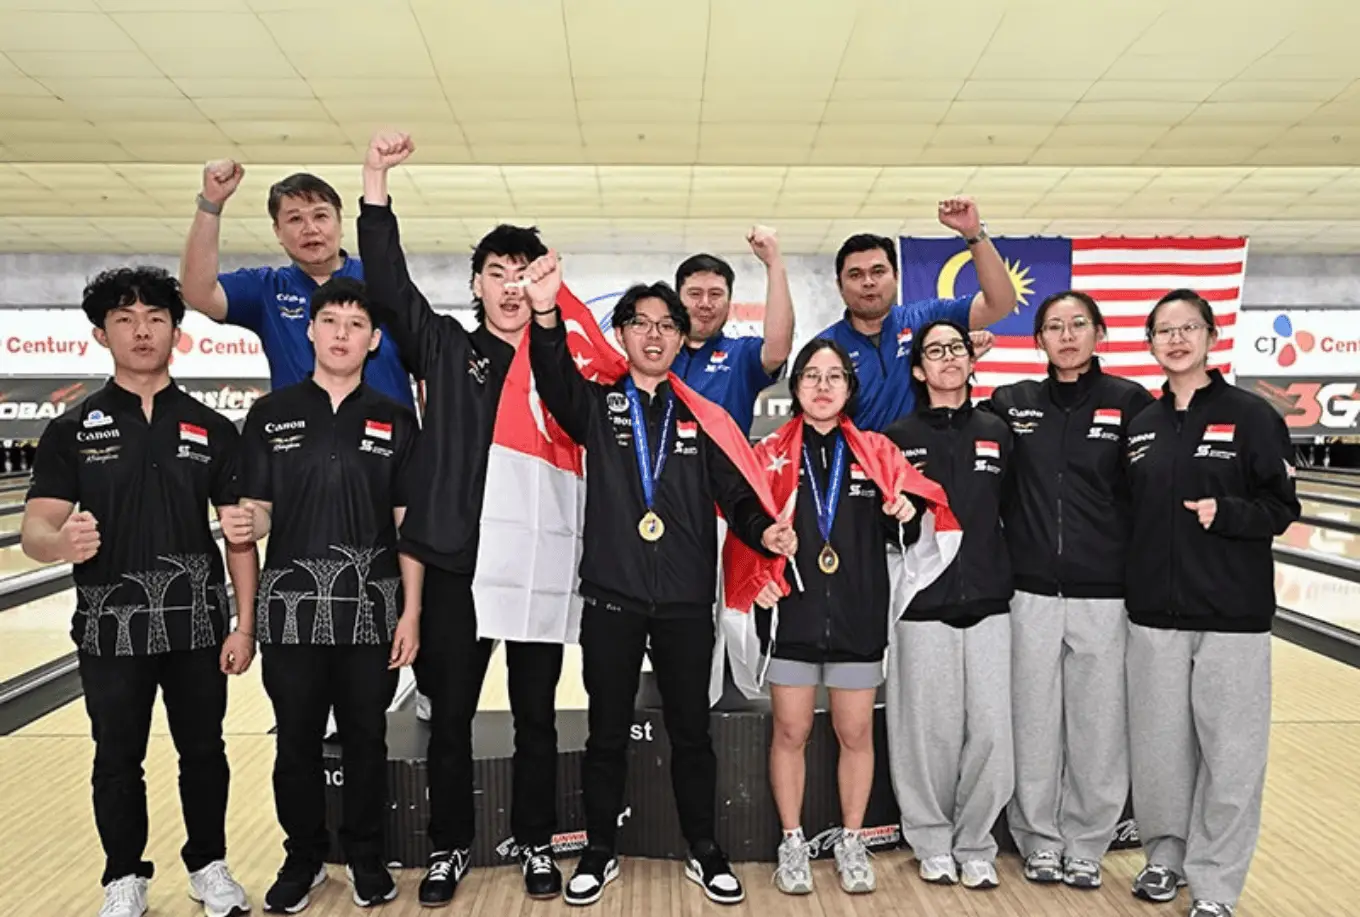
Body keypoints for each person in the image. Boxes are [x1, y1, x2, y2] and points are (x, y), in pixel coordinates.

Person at [528, 272, 792, 907]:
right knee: (606, 735)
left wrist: (767, 535)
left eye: (667, 325)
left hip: (681, 605)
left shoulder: (703, 418)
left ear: (681, 339)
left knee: (692, 734)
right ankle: (598, 850)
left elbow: (738, 498)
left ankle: (704, 849)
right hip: (613, 600)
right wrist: (542, 314)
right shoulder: (596, 405)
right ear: (621, 334)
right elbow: (554, 376)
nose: (654, 334)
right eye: (641, 323)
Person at [355, 131, 567, 904]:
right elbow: (387, 283)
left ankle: (538, 841)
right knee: (449, 722)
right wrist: (375, 180)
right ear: (476, 284)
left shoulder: (560, 364)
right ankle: (450, 846)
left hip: (538, 565)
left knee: (536, 719)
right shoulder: (444, 347)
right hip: (455, 563)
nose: (511, 287)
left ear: (543, 283)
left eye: (525, 274)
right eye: (497, 274)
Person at [20, 266, 257, 917]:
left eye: (155, 317)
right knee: (116, 755)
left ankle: (209, 865)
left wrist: (245, 624)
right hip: (109, 625)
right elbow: (35, 526)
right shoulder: (72, 429)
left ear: (177, 333)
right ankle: (123, 876)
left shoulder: (212, 426)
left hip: (199, 622)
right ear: (102, 333)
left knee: (203, 750)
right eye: (125, 319)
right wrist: (59, 541)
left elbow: (241, 533)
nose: (142, 329)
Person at [231, 276, 422, 912]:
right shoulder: (270, 414)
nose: (342, 333)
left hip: (372, 610)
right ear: (310, 331)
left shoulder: (395, 419)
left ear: (373, 341)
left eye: (356, 324)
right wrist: (244, 527)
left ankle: (366, 855)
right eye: (331, 321)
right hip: (289, 613)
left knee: (366, 738)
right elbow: (257, 514)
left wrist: (412, 611)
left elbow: (406, 527)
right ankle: (304, 856)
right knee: (296, 741)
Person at [1123, 289, 1299, 917]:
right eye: (1163, 331)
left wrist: (1227, 513)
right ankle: (1164, 859)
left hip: (1232, 617)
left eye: (1187, 328)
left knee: (1231, 754)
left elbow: (1283, 508)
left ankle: (1217, 884)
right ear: (1150, 344)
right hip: (1153, 617)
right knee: (1160, 751)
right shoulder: (1140, 426)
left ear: (1211, 335)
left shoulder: (1252, 416)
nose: (1176, 340)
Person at [984, 291, 1154, 889]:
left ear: (1099, 333)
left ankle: (1088, 840)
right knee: (1031, 723)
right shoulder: (1011, 404)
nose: (1066, 334)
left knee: (1098, 726)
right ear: (1038, 340)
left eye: (1078, 324)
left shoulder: (1130, 403)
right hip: (1028, 593)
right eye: (1053, 326)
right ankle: (1038, 839)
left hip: (1105, 594)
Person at [742, 338, 918, 897]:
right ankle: (792, 841)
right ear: (794, 388)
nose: (822, 386)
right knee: (791, 730)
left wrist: (905, 514)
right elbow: (742, 527)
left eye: (834, 376)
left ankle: (851, 839)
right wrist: (757, 572)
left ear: (849, 388)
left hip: (857, 618)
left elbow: (909, 535)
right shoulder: (768, 453)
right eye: (812, 376)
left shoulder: (876, 453)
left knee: (855, 731)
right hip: (792, 614)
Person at [882, 322, 1014, 890]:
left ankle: (976, 843)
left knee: (990, 733)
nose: (947, 359)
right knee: (924, 735)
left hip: (989, 601)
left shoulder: (998, 431)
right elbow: (882, 527)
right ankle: (931, 839)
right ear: (919, 370)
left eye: (955, 349)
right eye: (934, 352)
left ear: (970, 359)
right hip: (922, 605)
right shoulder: (895, 437)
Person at [179, 160, 414, 410]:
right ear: (277, 231)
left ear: (340, 223)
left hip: (389, 440)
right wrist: (210, 205)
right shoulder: (266, 288)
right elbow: (197, 292)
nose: (310, 229)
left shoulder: (382, 279)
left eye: (321, 216)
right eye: (295, 219)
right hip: (299, 442)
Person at [816, 198, 1014, 431]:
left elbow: (1000, 303)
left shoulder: (927, 319)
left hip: (927, 462)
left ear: (896, 277)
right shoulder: (825, 348)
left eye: (878, 271)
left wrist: (973, 233)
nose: (868, 282)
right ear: (840, 285)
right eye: (856, 275)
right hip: (860, 465)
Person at [671, 236, 794, 435]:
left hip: (725, 466)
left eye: (715, 294)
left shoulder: (741, 354)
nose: (705, 303)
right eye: (694, 294)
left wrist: (774, 264)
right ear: (677, 300)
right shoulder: (658, 355)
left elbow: (778, 350)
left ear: (729, 301)